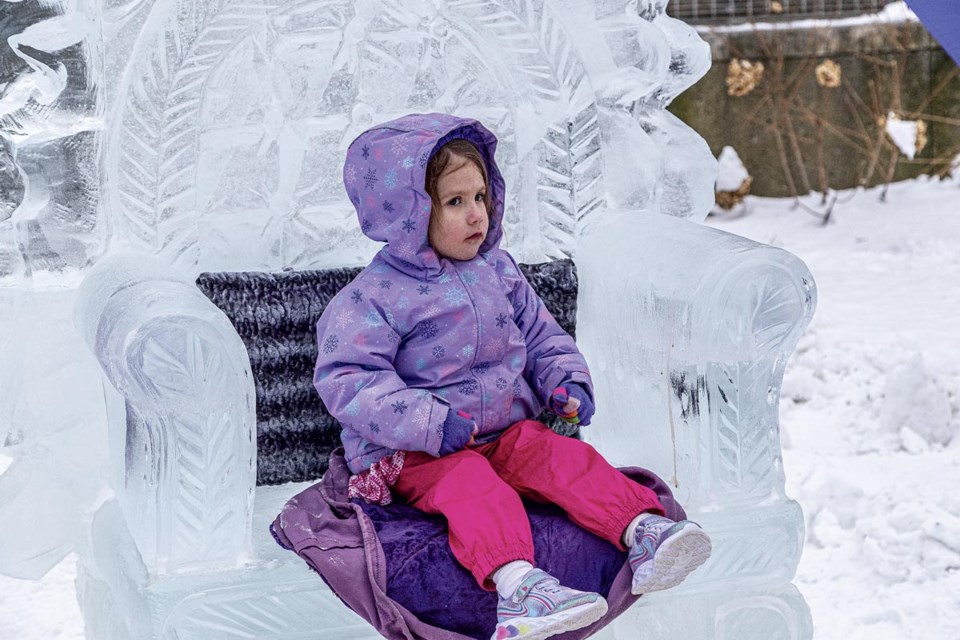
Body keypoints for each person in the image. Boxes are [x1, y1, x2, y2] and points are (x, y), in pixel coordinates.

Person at [314, 113, 712, 640]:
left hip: (505, 433)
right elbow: (350, 379)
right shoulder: (374, 298)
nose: (476, 214)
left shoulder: (499, 271)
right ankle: (519, 586)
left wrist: (564, 379)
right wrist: (432, 424)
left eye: (480, 197)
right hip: (418, 454)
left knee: (560, 455)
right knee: (470, 485)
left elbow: (541, 333)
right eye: (455, 202)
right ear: (408, 215)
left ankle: (642, 530)